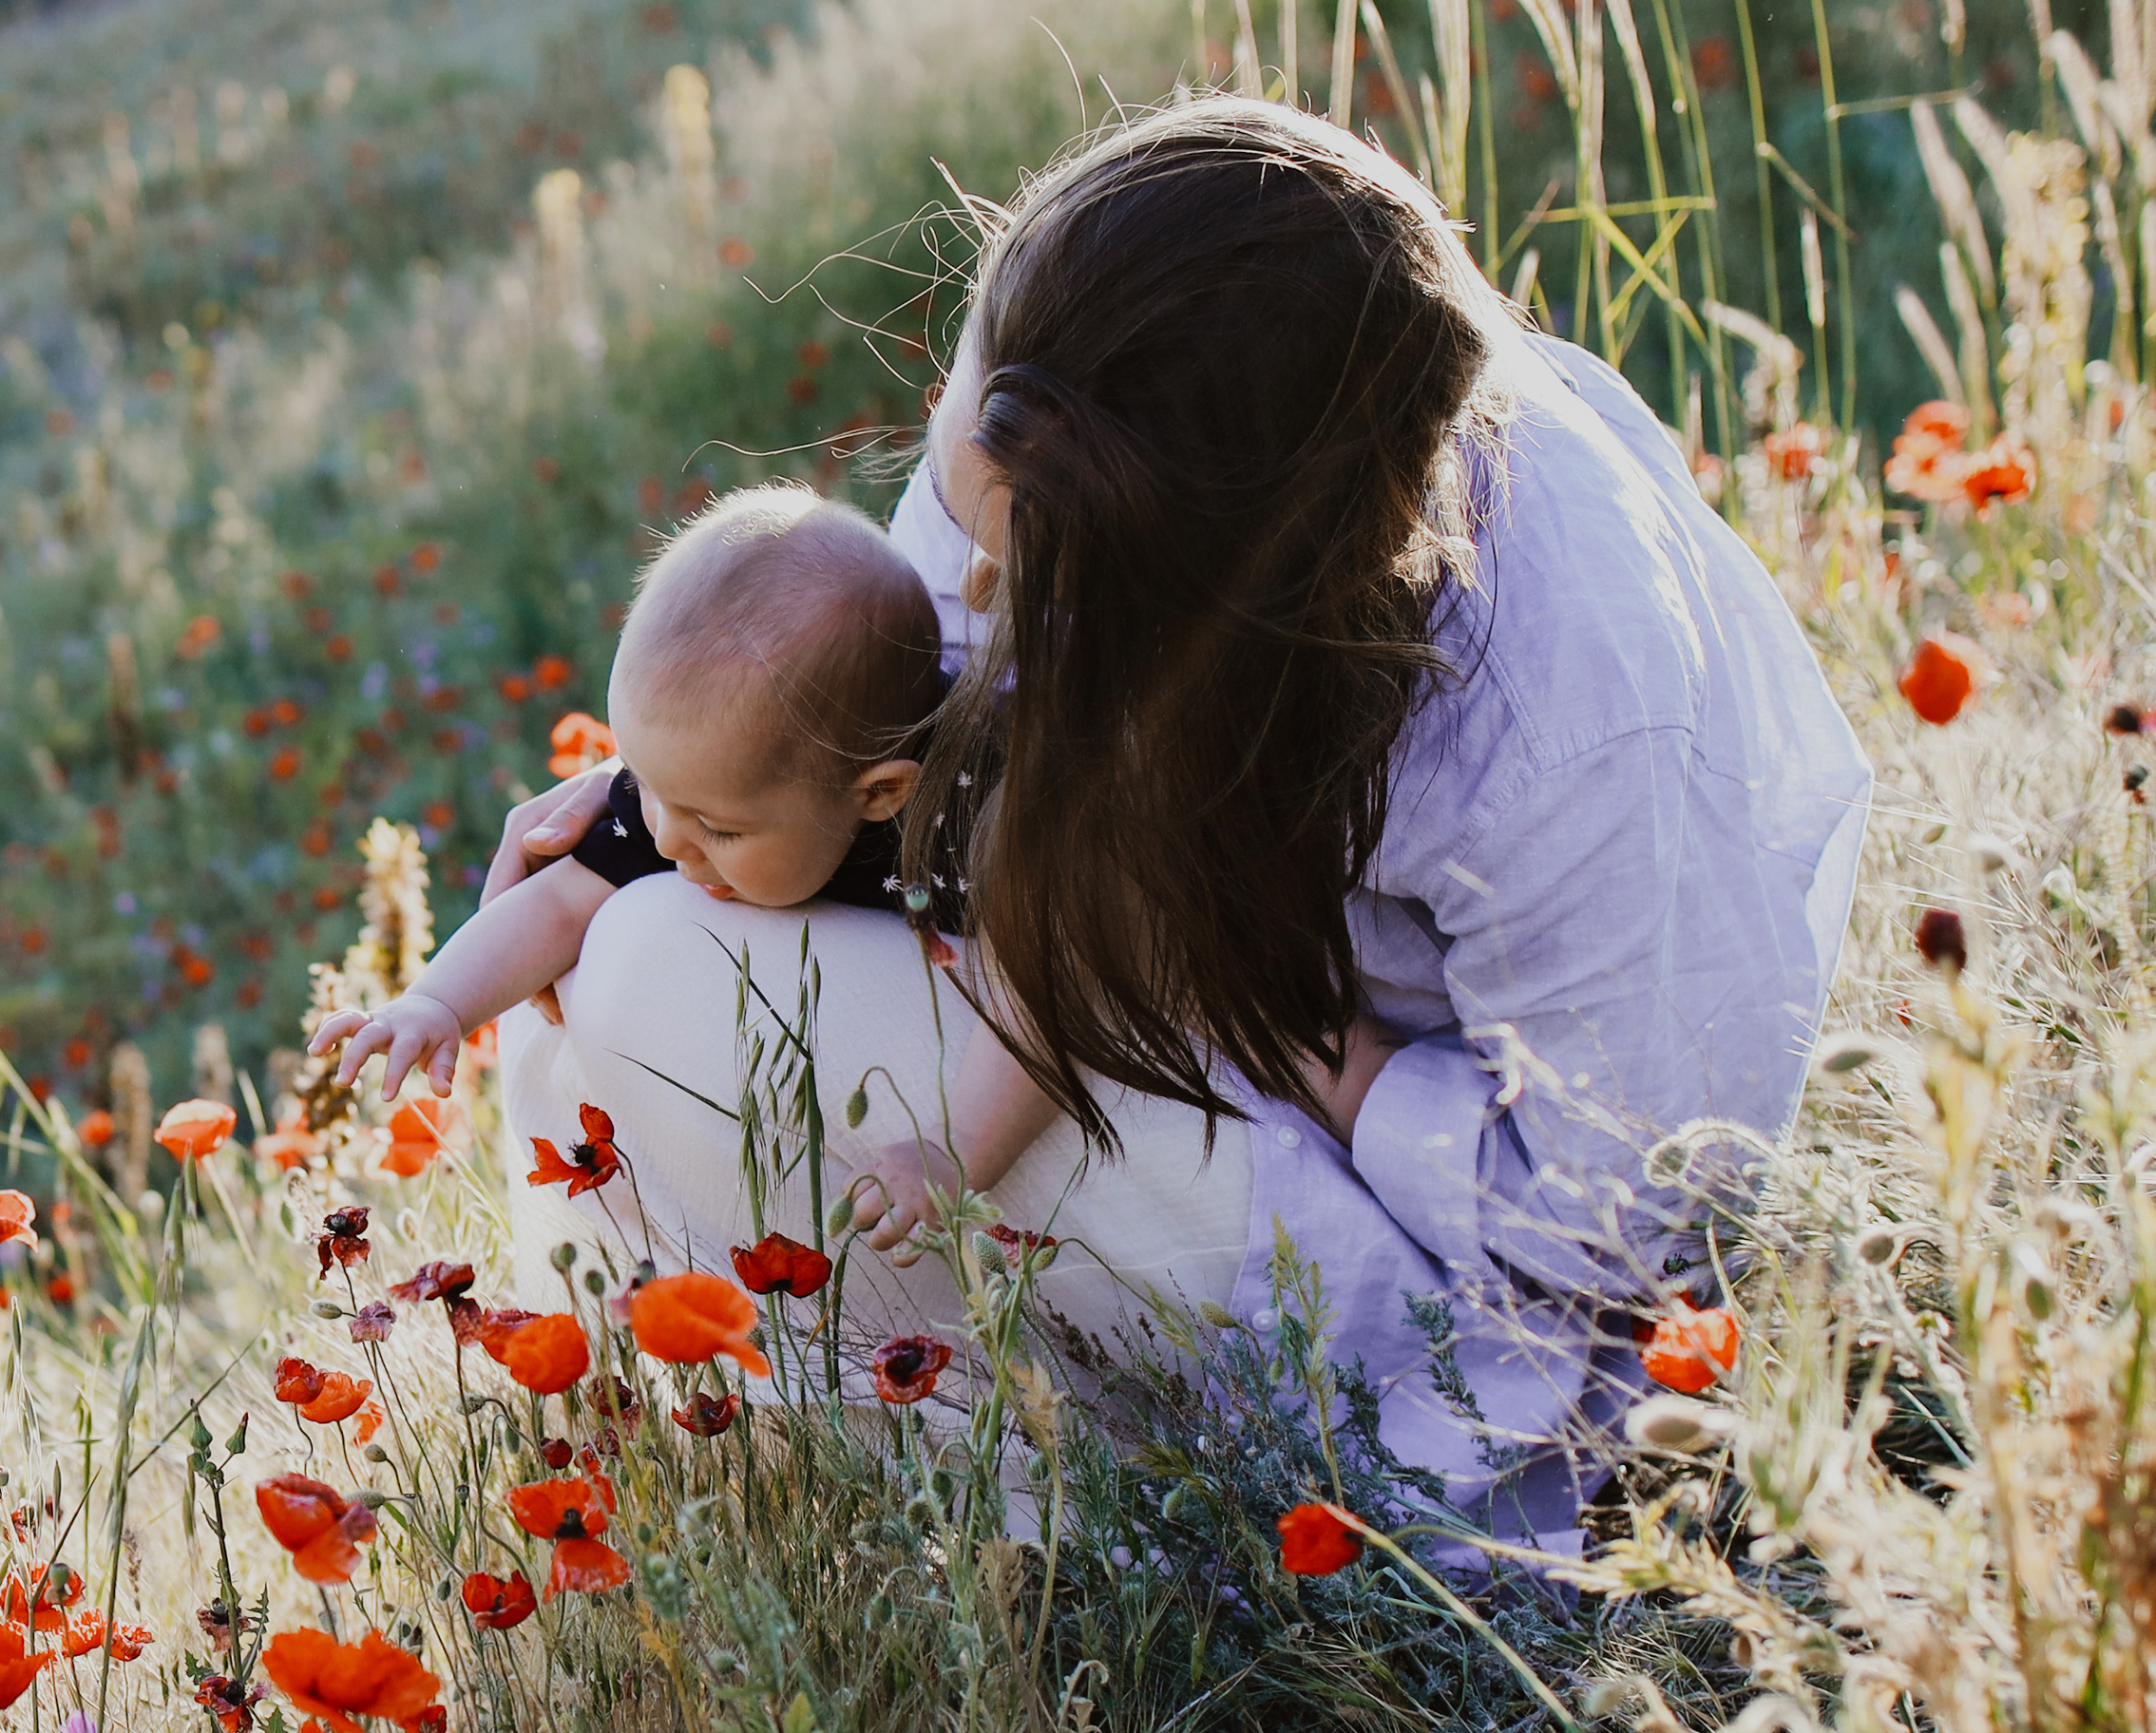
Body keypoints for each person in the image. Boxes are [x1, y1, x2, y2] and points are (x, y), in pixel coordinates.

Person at [488, 98, 1869, 1542]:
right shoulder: (1079, 369)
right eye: (968, 501)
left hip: (1424, 1236)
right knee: (623, 932)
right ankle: (801, 1414)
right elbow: (907, 720)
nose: (975, 594)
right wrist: (684, 805)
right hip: (1144, 992)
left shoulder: (1566, 721)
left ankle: (1085, 1513)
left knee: (657, 982)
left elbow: (1631, 1220)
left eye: (1030, 573)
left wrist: (1325, 1055)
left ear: (1233, 588)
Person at [310, 482, 995, 1240]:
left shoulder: (977, 824)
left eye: (716, 828)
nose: (665, 839)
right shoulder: (701, 792)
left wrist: (959, 1148)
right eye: (642, 782)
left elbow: (1044, 999)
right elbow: (559, 901)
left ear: (880, 793)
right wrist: (436, 1004)